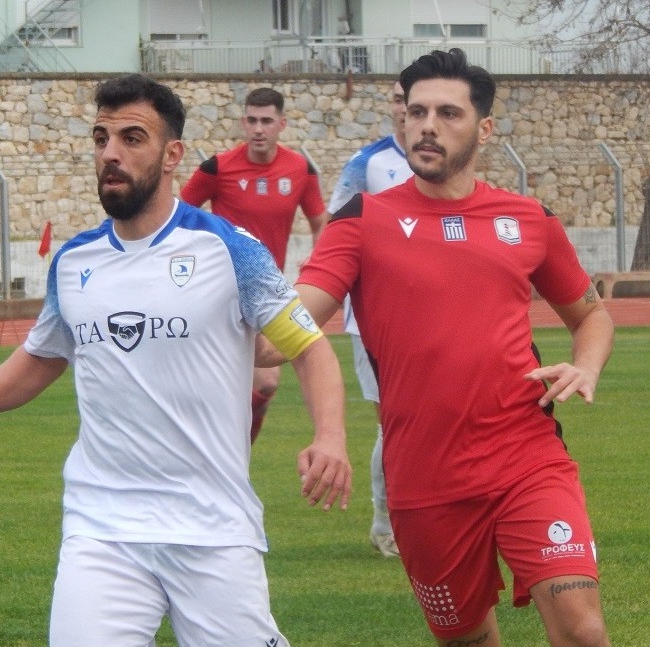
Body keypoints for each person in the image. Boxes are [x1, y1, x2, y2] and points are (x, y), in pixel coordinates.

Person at [0, 74, 352, 647]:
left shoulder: (229, 250)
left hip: (211, 527)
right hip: (102, 528)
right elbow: (43, 355)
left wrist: (331, 437)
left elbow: (308, 346)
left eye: (132, 138)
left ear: (172, 154)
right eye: (101, 138)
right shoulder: (74, 261)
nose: (111, 153)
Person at [276, 49, 615, 646]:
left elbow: (591, 314)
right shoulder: (362, 218)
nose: (427, 126)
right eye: (417, 112)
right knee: (467, 640)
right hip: (423, 478)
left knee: (582, 629)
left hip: (526, 455)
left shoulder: (528, 218)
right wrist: (248, 327)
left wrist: (585, 366)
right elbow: (294, 322)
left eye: (448, 113)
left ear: (484, 129)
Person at [180, 87, 327, 443]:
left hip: (266, 291)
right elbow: (179, 215)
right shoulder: (217, 167)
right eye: (252, 120)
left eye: (266, 121)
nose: (258, 129)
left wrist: (318, 258)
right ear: (243, 123)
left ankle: (231, 453)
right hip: (218, 289)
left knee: (265, 385)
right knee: (225, 383)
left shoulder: (300, 169)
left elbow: (320, 221)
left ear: (282, 124)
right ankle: (215, 451)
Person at [327, 80, 414, 558]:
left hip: (431, 314)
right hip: (372, 319)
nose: (406, 109)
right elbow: (336, 227)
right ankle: (386, 522)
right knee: (393, 421)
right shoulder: (369, 164)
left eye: (412, 100)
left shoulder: (442, 164)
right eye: (399, 100)